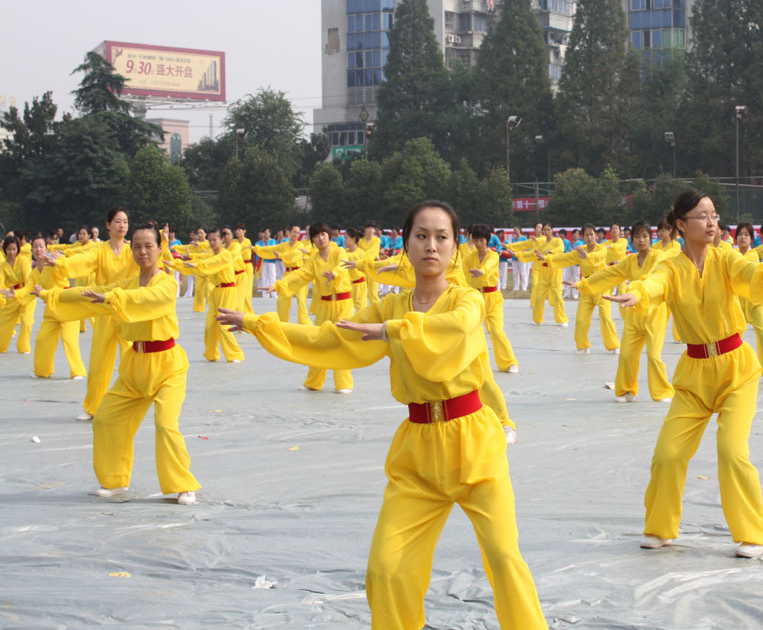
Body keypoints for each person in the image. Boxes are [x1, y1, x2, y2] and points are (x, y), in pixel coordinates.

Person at [217, 201, 547, 629]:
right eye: (421, 236)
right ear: (406, 244)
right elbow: (329, 339)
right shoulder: (390, 307)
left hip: (475, 446)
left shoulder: (465, 301)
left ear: (456, 246)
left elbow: (454, 331)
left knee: (504, 559)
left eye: (441, 237)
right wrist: (259, 324)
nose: (431, 245)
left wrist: (393, 331)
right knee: (387, 569)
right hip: (417, 452)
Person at [606, 191, 763, 559]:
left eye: (715, 215)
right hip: (694, 374)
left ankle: (756, 533)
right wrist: (636, 294)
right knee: (668, 454)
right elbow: (653, 284)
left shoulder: (726, 259)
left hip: (737, 369)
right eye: (703, 216)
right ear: (681, 225)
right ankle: (660, 527)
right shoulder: (669, 266)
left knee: (732, 452)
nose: (712, 222)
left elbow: (750, 274)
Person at [39, 222, 200, 506]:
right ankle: (115, 482)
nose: (142, 251)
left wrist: (112, 298)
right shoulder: (126, 285)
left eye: (148, 245)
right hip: (134, 366)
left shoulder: (166, 283)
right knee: (106, 419)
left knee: (165, 425)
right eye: (136, 246)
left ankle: (183, 485)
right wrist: (50, 295)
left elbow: (147, 299)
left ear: (160, 249)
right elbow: (94, 293)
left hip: (167, 366)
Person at [50, 208, 139, 421]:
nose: (122, 225)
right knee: (100, 361)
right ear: (108, 225)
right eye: (117, 221)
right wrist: (61, 263)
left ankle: (132, 403)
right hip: (103, 310)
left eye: (125, 221)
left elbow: (148, 263)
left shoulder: (132, 251)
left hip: (125, 310)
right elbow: (83, 261)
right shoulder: (99, 250)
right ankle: (92, 406)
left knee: (132, 359)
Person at [576, 220, 671, 403]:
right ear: (632, 239)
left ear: (650, 239)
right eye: (637, 236)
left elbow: (654, 277)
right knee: (627, 355)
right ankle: (626, 390)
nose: (641, 240)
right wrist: (584, 284)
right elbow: (608, 274)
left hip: (654, 314)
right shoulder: (629, 261)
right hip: (633, 314)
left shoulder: (658, 256)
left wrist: (637, 292)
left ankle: (662, 392)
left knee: (653, 356)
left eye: (644, 236)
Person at [264, 222, 355, 392]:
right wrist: (278, 285)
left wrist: (333, 274)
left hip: (343, 303)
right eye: (316, 236)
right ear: (312, 240)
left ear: (328, 235)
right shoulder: (314, 261)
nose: (321, 238)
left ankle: (344, 384)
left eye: (323, 234)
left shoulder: (338, 251)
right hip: (324, 305)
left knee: (342, 342)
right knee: (319, 343)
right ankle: (314, 382)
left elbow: (342, 266)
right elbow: (299, 275)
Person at [0, 235, 85, 379]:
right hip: (51, 309)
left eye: (41, 247)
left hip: (67, 305)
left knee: (68, 339)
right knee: (42, 339)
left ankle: (78, 372)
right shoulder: (34, 273)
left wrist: (58, 262)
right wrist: (14, 294)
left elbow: (66, 270)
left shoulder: (53, 264)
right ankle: (42, 371)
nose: (38, 249)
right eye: (36, 247)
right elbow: (28, 289)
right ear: (32, 250)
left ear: (46, 249)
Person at [170, 228, 244, 363]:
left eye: (215, 240)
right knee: (210, 326)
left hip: (228, 291)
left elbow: (208, 264)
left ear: (221, 240)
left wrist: (195, 264)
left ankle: (235, 355)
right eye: (210, 240)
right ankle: (211, 354)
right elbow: (197, 262)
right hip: (216, 292)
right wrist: (176, 264)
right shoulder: (210, 254)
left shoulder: (225, 254)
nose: (212, 242)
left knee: (224, 325)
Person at [551, 224, 620, 355]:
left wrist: (587, 256)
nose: (589, 237)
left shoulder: (602, 249)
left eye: (591, 234)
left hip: (602, 287)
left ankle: (613, 345)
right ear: (583, 237)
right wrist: (547, 258)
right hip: (586, 288)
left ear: (596, 235)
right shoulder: (581, 250)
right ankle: (583, 346)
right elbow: (565, 258)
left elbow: (598, 258)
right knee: (581, 319)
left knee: (605, 317)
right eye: (586, 235)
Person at [465, 224, 519, 374]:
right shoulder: (469, 257)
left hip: (492, 298)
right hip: (475, 298)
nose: (478, 244)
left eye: (481, 240)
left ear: (487, 240)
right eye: (475, 241)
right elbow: (460, 272)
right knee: (470, 331)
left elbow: (489, 266)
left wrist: (481, 271)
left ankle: (509, 363)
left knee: (496, 331)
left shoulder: (493, 256)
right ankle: (471, 364)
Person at [733, 222, 763, 384]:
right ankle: (736, 372)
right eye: (740, 234)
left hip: (756, 302)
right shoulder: (732, 255)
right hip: (738, 303)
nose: (743, 237)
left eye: (746, 235)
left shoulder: (753, 255)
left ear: (752, 239)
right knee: (734, 339)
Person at [254, 225, 312, 324]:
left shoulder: (300, 245)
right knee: (282, 300)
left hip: (298, 275)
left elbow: (293, 255)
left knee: (301, 301)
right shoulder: (284, 245)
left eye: (298, 232)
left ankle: (304, 324)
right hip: (287, 274)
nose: (296, 234)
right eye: (294, 232)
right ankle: (283, 323)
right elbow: (271, 249)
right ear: (289, 233)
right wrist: (257, 249)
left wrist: (281, 255)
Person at [0, 235, 34, 354]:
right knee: (4, 322)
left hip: (27, 295)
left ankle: (24, 347)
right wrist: (4, 296)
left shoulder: (23, 261)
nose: (11, 252)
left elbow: (29, 280)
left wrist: (19, 292)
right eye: (9, 249)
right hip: (11, 295)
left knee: (26, 322)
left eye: (14, 249)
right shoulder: (3, 266)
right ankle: (1, 346)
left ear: (17, 249)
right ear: (5, 249)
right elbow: (1, 283)